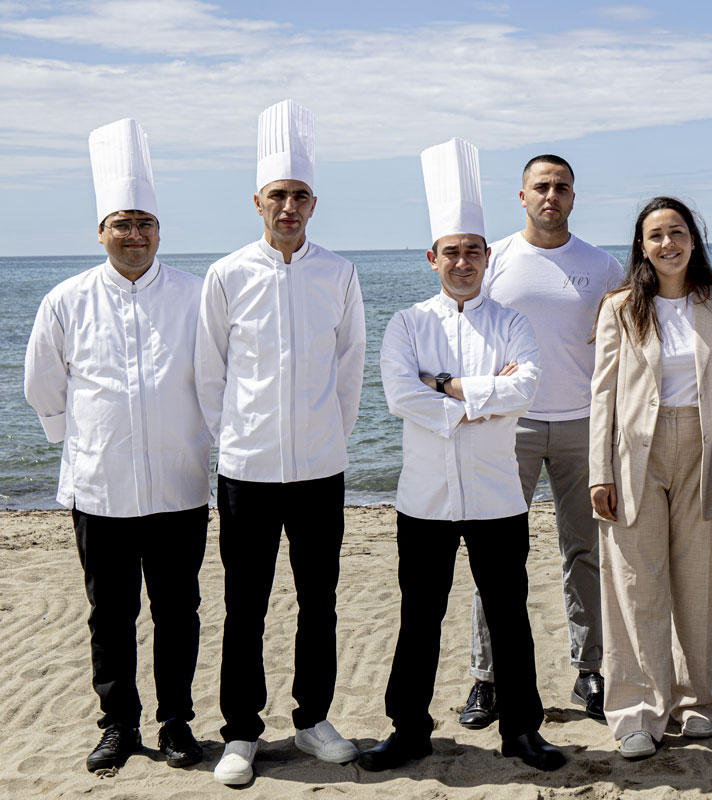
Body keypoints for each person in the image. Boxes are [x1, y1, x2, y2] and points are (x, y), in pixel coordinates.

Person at [359, 138, 565, 773]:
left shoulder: (511, 323)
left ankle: (522, 732)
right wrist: (484, 398)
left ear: (487, 256)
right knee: (418, 617)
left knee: (510, 616)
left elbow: (526, 388)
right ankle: (409, 730)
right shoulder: (406, 324)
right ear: (433, 258)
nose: (463, 261)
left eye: (473, 251)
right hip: (424, 499)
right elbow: (399, 397)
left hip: (499, 493)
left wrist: (445, 387)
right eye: (452, 252)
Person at [24, 118, 209, 773]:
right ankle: (118, 725)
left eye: (145, 224)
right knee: (110, 614)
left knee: (178, 612)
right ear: (101, 232)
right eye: (122, 224)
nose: (135, 235)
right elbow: (42, 384)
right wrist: (78, 442)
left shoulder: (195, 297)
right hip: (99, 488)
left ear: (161, 232)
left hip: (180, 484)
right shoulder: (66, 300)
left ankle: (178, 723)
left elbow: (217, 381)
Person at [195, 99, 366, 785]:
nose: (288, 206)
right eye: (277, 196)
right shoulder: (227, 275)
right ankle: (241, 731)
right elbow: (209, 372)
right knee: (246, 602)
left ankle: (312, 717)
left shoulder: (340, 274)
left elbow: (349, 367)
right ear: (257, 202)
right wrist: (237, 439)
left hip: (322, 468)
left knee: (318, 598)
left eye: (299, 196)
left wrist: (327, 432)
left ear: (313, 203)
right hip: (246, 471)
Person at [461, 154, 624, 728]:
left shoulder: (602, 267)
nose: (551, 195)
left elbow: (626, 339)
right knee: (498, 556)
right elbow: (464, 325)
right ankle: (488, 678)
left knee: (586, 553)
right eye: (541, 187)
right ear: (522, 195)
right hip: (512, 425)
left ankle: (591, 670)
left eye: (561, 187)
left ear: (573, 196)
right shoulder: (496, 259)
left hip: (584, 424)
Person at [589, 196, 712, 760]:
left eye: (676, 232)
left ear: (693, 238)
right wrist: (597, 473)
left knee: (698, 582)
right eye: (655, 235)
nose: (667, 244)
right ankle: (636, 709)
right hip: (635, 453)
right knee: (635, 583)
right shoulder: (621, 307)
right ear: (642, 245)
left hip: (706, 452)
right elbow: (602, 394)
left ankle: (697, 701)